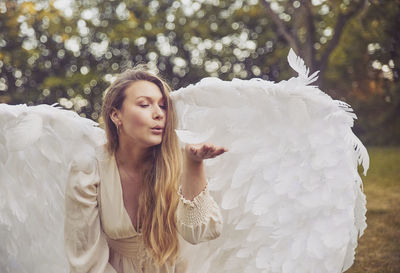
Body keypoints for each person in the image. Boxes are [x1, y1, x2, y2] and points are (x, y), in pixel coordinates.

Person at [63, 66, 227, 273]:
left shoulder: (175, 162)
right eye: (144, 104)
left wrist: (194, 165)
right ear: (116, 116)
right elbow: (84, 258)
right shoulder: (89, 168)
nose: (159, 114)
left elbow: (198, 233)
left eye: (163, 106)